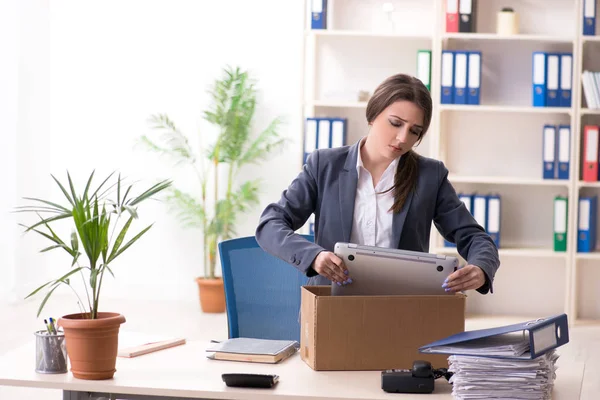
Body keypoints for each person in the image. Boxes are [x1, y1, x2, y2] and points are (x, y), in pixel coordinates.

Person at [255, 73, 500, 294]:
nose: (403, 138)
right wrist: (314, 256)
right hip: (332, 308)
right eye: (395, 123)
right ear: (373, 115)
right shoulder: (325, 165)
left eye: (415, 131)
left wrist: (480, 267)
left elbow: (475, 237)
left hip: (401, 308)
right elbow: (270, 224)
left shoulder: (429, 175)